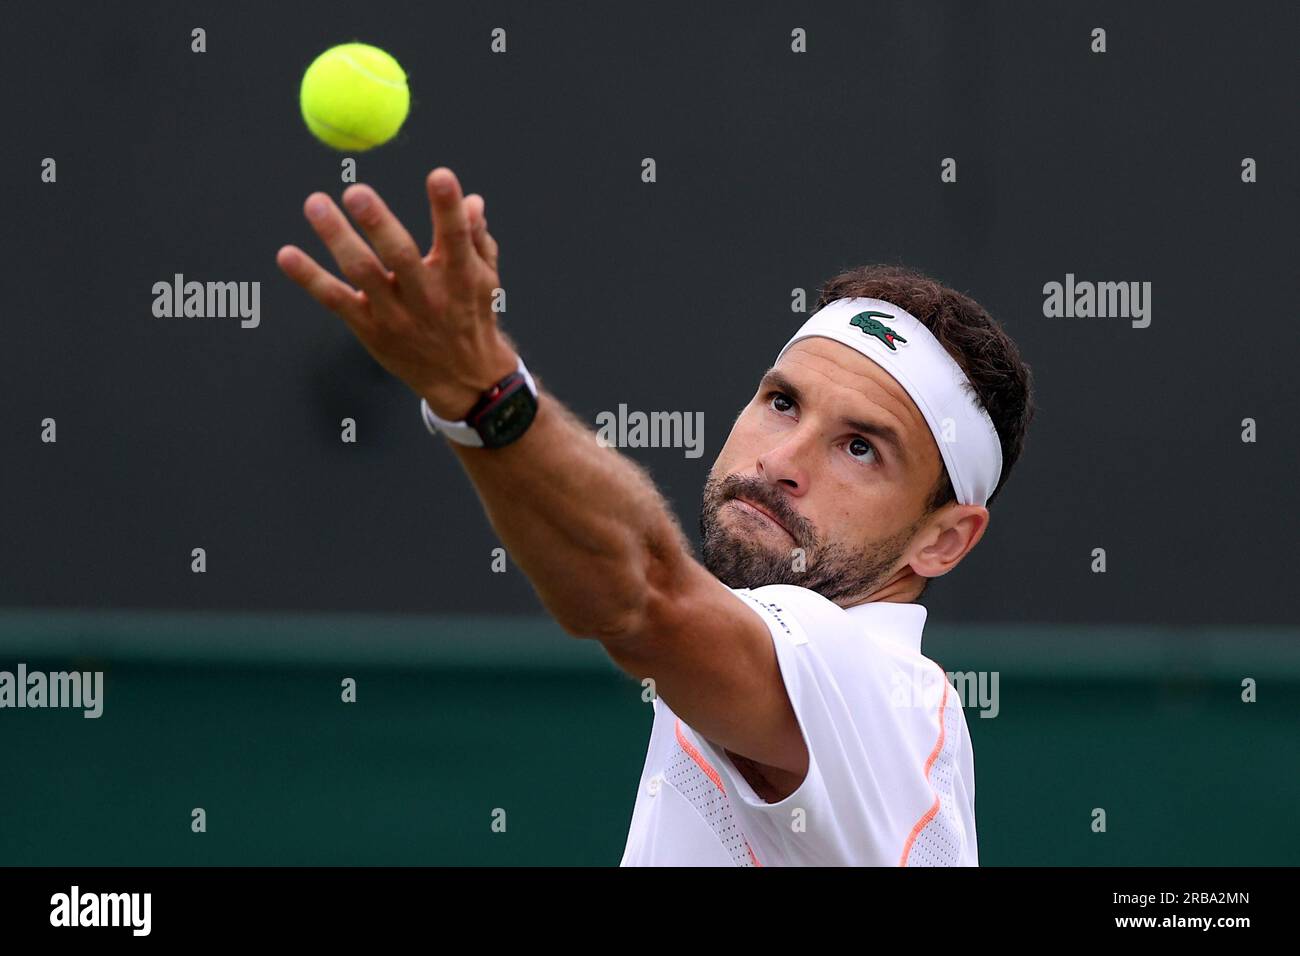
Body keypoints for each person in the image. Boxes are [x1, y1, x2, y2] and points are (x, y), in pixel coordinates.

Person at [276, 167, 1036, 866]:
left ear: (943, 540)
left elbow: (645, 598)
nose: (781, 462)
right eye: (782, 403)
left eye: (861, 448)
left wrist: (481, 390)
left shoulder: (868, 681)